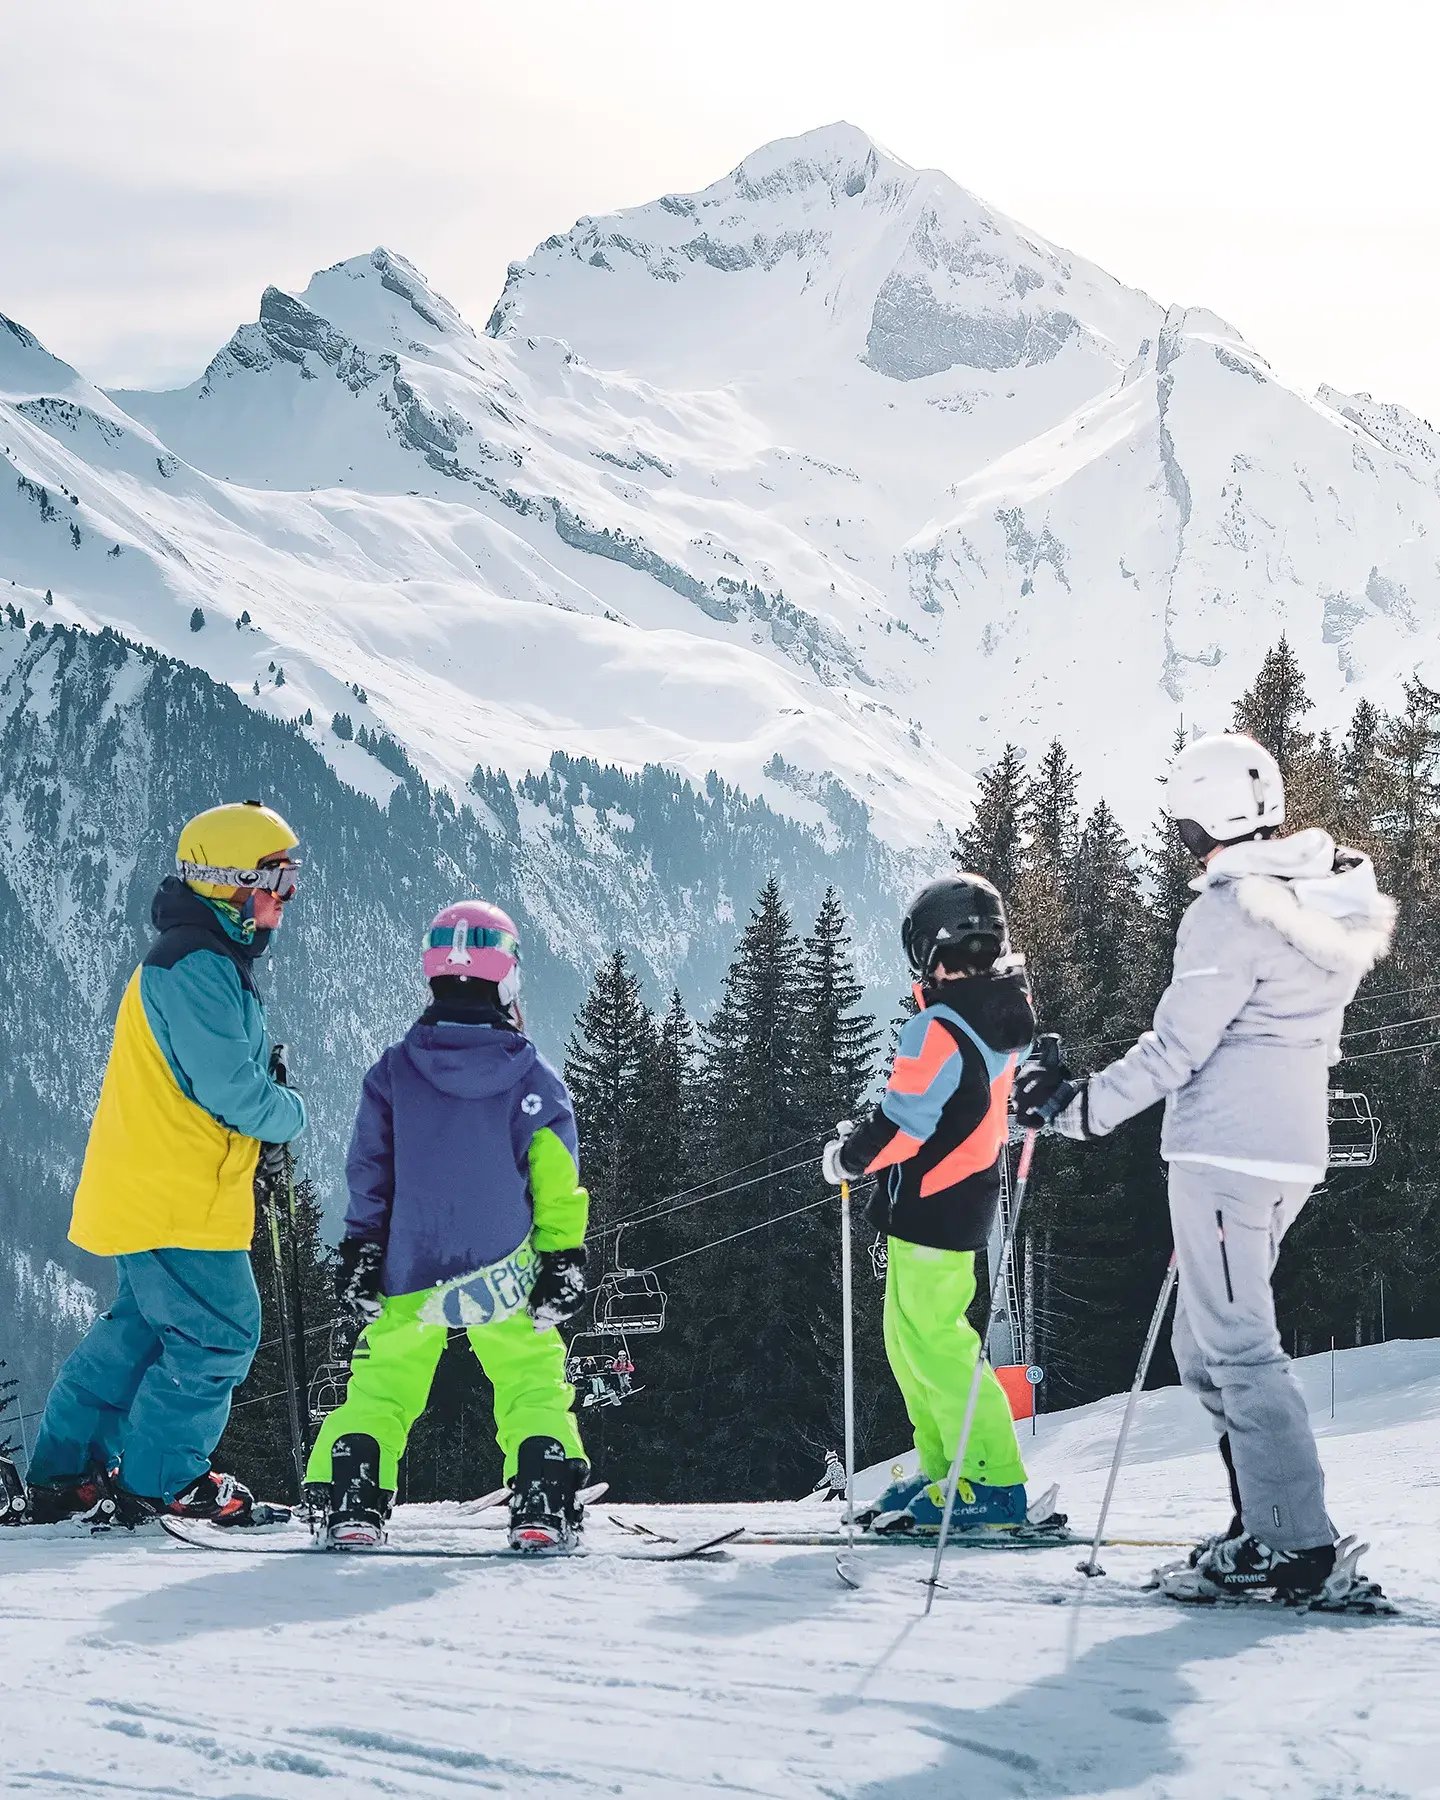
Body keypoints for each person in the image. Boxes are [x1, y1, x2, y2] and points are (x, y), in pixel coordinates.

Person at [1016, 732, 1395, 1601]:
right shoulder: (1315, 902)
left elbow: (1176, 1049)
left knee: (1239, 1348)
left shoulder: (1231, 912)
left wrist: (1074, 1106)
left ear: (1195, 820)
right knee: (1202, 1341)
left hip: (1226, 1154)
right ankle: (1263, 1523)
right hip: (1286, 1153)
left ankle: (1294, 1544)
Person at [15, 802, 306, 1528]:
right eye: (275, 880)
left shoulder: (193, 959)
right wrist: (288, 1111)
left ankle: (67, 1472)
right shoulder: (197, 968)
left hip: (153, 1188)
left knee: (139, 1334)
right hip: (180, 1198)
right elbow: (232, 1092)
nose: (286, 896)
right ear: (229, 883)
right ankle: (164, 1480)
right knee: (220, 1332)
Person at [306, 900, 592, 1551]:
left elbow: (370, 1170)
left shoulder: (393, 1073)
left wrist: (362, 1248)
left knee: (384, 1380)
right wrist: (562, 1257)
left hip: (413, 1260)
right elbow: (556, 1181)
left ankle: (352, 1497)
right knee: (529, 1374)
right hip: (504, 1262)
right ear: (508, 978)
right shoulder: (533, 1078)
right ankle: (542, 1498)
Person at [821, 874, 1038, 1536]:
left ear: (929, 951)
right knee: (909, 1340)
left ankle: (992, 1480)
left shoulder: (938, 1028)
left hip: (932, 1204)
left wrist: (848, 1158)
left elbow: (904, 1125)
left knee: (936, 1344)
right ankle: (947, 1466)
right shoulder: (999, 1016)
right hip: (960, 1198)